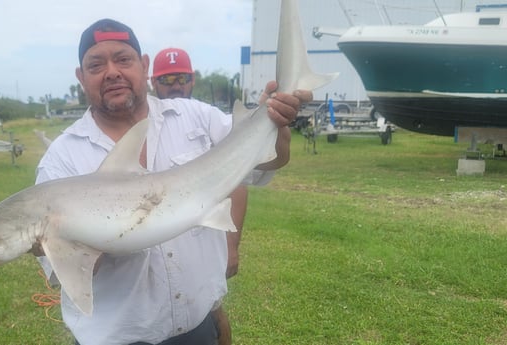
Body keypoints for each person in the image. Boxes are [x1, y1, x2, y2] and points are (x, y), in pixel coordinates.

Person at [35, 18, 312, 345]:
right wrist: (59, 242)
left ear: (144, 65)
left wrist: (277, 123)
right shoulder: (62, 159)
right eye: (96, 64)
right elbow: (67, 275)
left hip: (199, 329)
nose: (112, 72)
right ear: (81, 78)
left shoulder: (196, 118)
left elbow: (266, 163)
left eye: (123, 59)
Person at [151, 47, 244, 345]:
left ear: (192, 80)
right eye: (166, 79)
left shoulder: (207, 118)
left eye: (182, 77)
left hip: (202, 254)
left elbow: (238, 182)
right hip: (154, 261)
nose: (175, 85)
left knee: (213, 316)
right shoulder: (144, 124)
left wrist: (232, 245)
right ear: (153, 82)